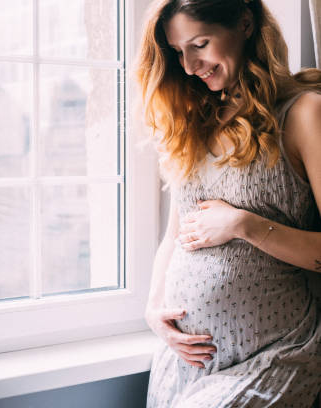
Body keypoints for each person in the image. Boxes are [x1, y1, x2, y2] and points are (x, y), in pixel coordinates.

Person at [134, 0, 321, 406]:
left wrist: (244, 224)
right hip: (183, 362)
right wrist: (154, 310)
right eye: (178, 51)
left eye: (199, 44)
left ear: (245, 22)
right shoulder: (194, 122)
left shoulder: (303, 114)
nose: (188, 65)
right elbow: (176, 235)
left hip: (271, 354)